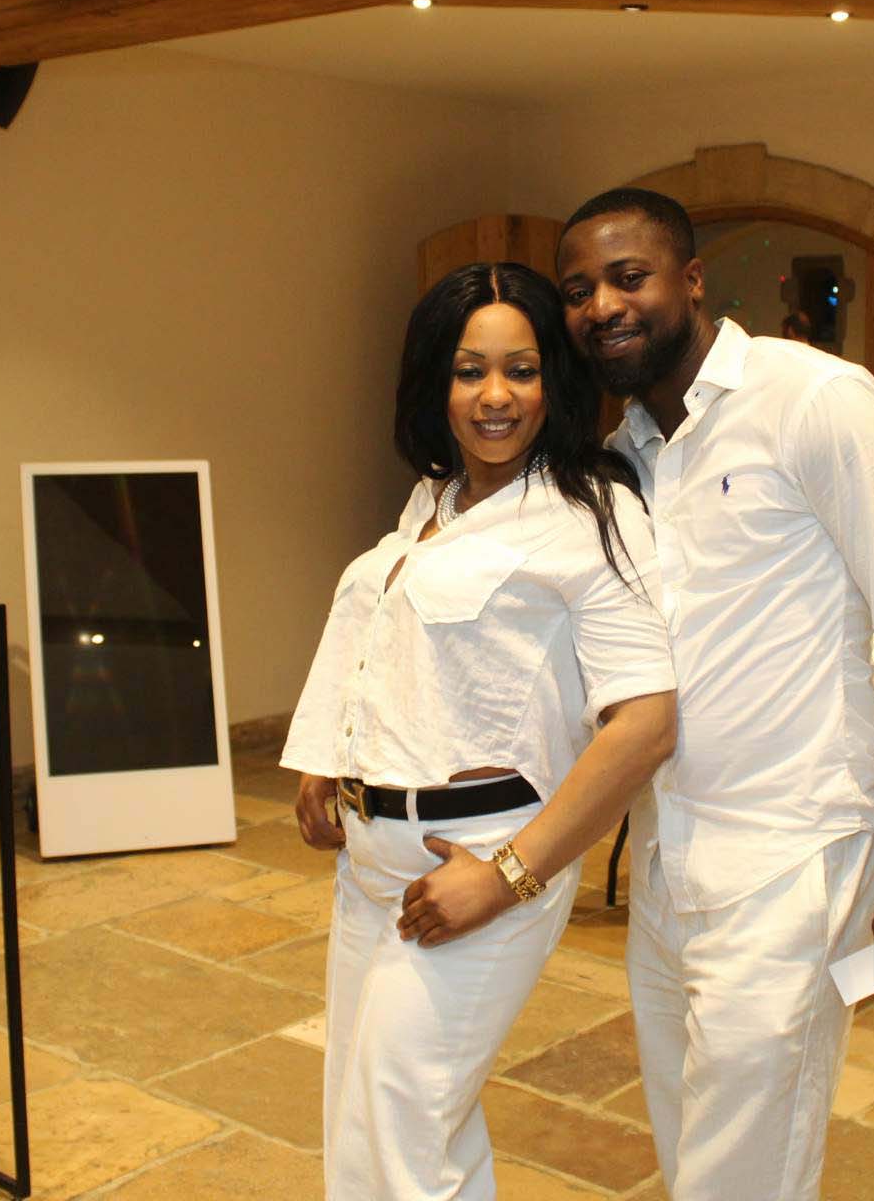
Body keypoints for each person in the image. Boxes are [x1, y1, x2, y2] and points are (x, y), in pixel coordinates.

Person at [557, 188, 874, 1200]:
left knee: (742, 1171)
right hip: (668, 855)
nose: (602, 306)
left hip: (794, 851)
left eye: (628, 276)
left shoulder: (815, 399)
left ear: (693, 280)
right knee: (694, 1150)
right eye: (578, 290)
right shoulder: (622, 459)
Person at [284, 261, 677, 1199]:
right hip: (372, 864)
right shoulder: (434, 497)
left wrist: (506, 878)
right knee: (362, 1132)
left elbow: (646, 722)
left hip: (481, 863)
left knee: (405, 1125)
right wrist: (329, 756)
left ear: (556, 381)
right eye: (469, 371)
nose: (495, 396)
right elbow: (390, 629)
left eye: (521, 370)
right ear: (436, 381)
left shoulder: (590, 512)